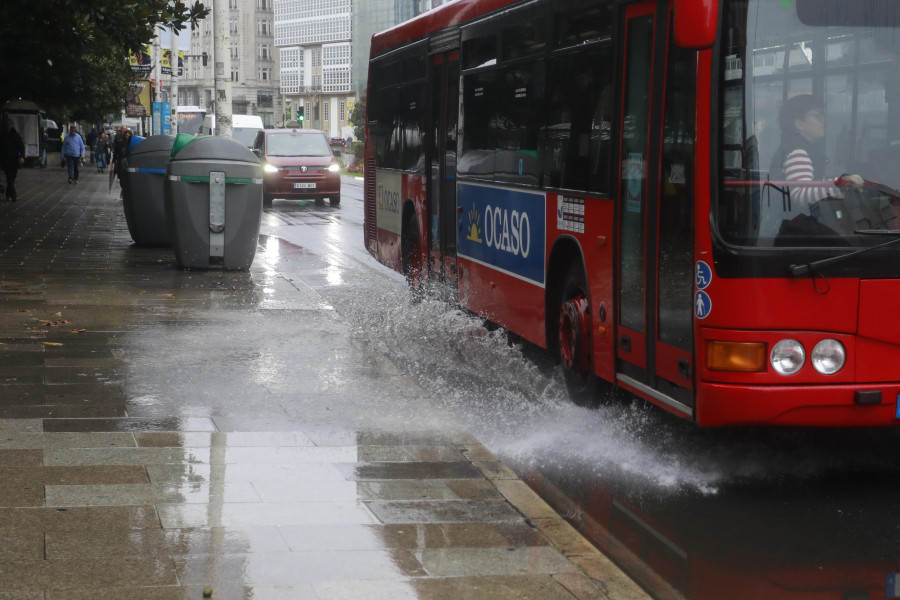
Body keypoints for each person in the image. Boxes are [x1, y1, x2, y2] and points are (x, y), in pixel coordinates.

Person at [1, 123, 25, 202]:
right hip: (5, 160)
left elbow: (21, 146)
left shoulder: (16, 135)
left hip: (14, 160)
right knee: (9, 178)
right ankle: (14, 195)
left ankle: (8, 194)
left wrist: (22, 156)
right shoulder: (3, 135)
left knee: (12, 178)